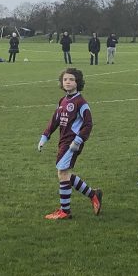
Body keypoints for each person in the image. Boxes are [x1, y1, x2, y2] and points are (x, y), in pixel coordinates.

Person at [37, 68, 102, 219]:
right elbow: (55, 120)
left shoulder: (81, 102)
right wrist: (44, 136)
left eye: (71, 79)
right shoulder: (63, 100)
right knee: (65, 174)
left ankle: (65, 211)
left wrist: (78, 141)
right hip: (63, 141)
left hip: (72, 143)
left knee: (62, 172)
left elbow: (88, 124)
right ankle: (94, 195)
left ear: (77, 82)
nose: (68, 82)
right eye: (65, 79)